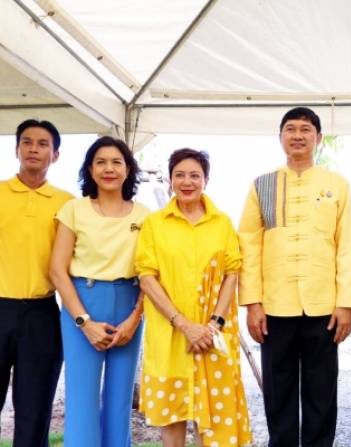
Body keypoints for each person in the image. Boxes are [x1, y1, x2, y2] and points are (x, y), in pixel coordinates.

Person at [238, 107, 351, 447]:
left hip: (324, 306)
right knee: (278, 392)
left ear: (319, 138)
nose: (297, 135)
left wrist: (346, 304)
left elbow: (347, 246)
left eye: (305, 129)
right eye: (290, 129)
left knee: (322, 391)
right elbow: (249, 246)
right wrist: (252, 303)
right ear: (280, 137)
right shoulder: (262, 185)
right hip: (274, 306)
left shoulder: (337, 185)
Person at [0, 120, 73, 447]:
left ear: (55, 155)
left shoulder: (67, 203)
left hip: (41, 315)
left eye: (43, 144)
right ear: (16, 149)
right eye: (27, 142)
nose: (34, 149)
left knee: (35, 409)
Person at [135, 148, 251, 447]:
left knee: (214, 425)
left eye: (195, 175)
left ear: (206, 180)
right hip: (171, 336)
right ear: (170, 180)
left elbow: (232, 273)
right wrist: (185, 325)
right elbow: (147, 277)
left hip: (213, 336)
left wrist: (213, 325)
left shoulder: (222, 223)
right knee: (172, 419)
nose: (187, 182)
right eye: (180, 175)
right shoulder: (155, 223)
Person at [49, 136, 149, 447]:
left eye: (117, 162)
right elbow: (57, 271)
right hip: (82, 303)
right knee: (82, 401)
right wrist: (84, 322)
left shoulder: (144, 216)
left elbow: (151, 274)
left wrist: (135, 318)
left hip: (129, 306)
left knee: (120, 401)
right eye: (101, 162)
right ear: (90, 169)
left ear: (128, 169)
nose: (109, 168)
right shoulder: (74, 209)